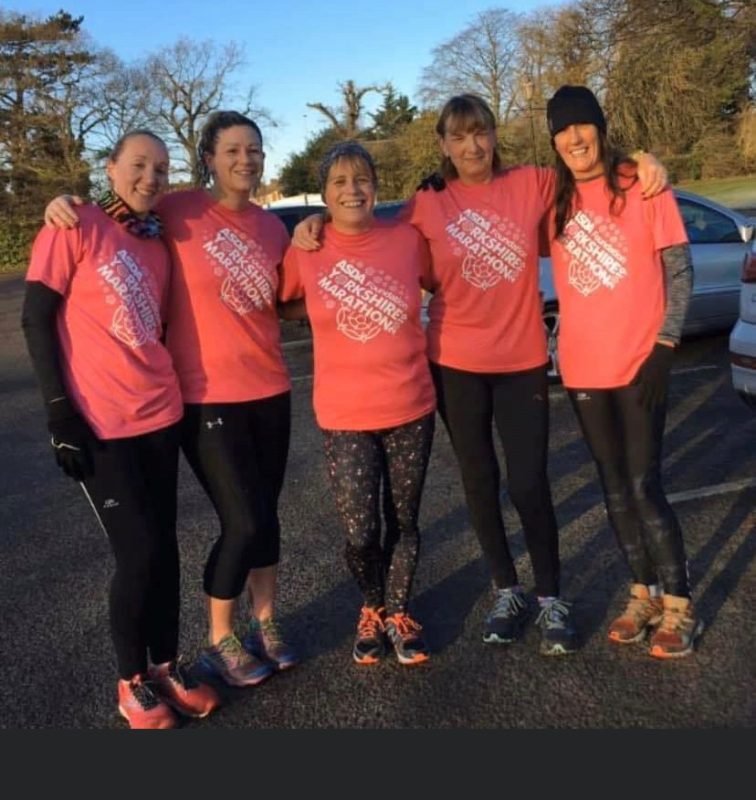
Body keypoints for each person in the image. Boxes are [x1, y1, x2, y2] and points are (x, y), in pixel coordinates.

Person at [293, 94, 666, 657]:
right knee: (479, 482)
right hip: (455, 363)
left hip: (520, 362)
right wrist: (315, 221)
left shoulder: (533, 183)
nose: (472, 147)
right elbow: (369, 232)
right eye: (459, 137)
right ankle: (506, 590)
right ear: (443, 144)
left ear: (494, 136)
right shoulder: (427, 201)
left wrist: (640, 160)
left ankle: (550, 596)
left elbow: (585, 170)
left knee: (528, 483)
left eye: (481, 133)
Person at [44, 111, 297, 687]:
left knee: (269, 519)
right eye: (232, 150)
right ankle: (220, 639)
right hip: (205, 398)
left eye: (254, 150)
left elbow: (287, 296)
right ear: (208, 157)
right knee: (243, 520)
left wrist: (316, 232)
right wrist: (65, 200)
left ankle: (266, 623)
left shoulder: (273, 228)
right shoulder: (178, 209)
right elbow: (115, 210)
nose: (246, 160)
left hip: (273, 388)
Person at [22, 130, 220, 729]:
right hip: (99, 425)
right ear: (111, 170)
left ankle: (165, 665)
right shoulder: (73, 223)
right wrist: (59, 413)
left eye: (161, 169)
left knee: (164, 550)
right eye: (138, 166)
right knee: (136, 554)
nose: (150, 179)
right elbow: (35, 318)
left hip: (159, 414)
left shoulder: (156, 244)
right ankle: (131, 679)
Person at [545, 85, 702, 658]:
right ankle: (644, 595)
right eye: (561, 131)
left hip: (639, 364)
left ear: (599, 128)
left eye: (581, 126)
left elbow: (679, 274)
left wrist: (665, 345)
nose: (573, 138)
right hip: (584, 370)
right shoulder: (553, 200)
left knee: (644, 485)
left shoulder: (644, 185)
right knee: (613, 489)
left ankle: (681, 606)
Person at [280, 142, 436, 665]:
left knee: (404, 521)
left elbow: (445, 280)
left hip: (411, 404)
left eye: (362, 179)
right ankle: (371, 604)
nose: (353, 190)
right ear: (324, 193)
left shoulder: (407, 239)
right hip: (345, 413)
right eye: (340, 181)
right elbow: (281, 303)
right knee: (360, 530)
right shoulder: (307, 247)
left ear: (375, 186)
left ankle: (398, 611)